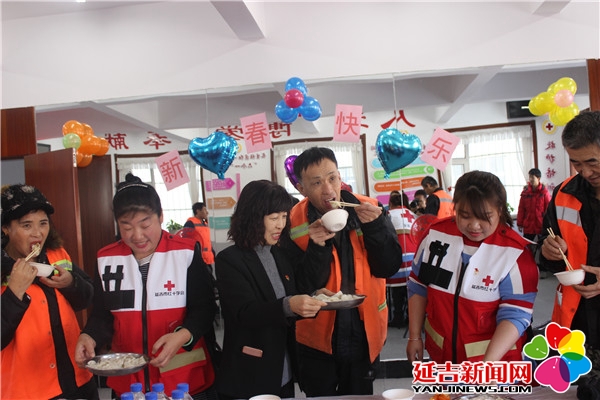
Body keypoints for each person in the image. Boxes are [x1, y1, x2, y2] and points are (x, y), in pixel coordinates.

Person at [74, 173, 218, 399]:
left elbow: (205, 308)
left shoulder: (185, 253)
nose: (137, 236)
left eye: (145, 224)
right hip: (130, 382)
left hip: (182, 381)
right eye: (126, 227)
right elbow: (102, 315)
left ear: (160, 216)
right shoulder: (107, 259)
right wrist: (88, 336)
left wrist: (182, 335)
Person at [280, 146, 403, 397]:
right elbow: (300, 285)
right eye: (316, 183)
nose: (328, 189)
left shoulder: (369, 208)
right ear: (301, 188)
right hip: (315, 337)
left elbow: (388, 268)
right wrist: (317, 247)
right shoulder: (293, 221)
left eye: (332, 178)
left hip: (364, 331)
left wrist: (376, 228)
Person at [407, 170, 539, 364]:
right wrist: (414, 336)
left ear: (500, 210)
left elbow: (516, 314)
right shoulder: (435, 235)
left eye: (485, 217)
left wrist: (487, 365)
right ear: (455, 207)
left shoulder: (515, 253)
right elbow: (418, 286)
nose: (474, 226)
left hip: (493, 363)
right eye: (465, 215)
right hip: (442, 358)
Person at [214, 180, 326, 400]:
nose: (280, 225)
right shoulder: (230, 260)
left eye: (284, 217)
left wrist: (314, 297)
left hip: (283, 369)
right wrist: (289, 305)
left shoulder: (279, 254)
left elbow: (291, 296)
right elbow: (245, 312)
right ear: (253, 217)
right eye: (274, 218)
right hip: (250, 373)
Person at [1, 184, 97, 400]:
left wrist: (71, 283)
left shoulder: (57, 255)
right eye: (27, 225)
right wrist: (14, 292)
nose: (38, 233)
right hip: (28, 391)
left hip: (78, 379)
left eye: (43, 223)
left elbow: (87, 298)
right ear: (6, 227)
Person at [538, 111, 600, 351]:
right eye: (576, 163)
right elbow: (546, 245)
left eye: (592, 162)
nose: (585, 172)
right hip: (577, 321)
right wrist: (548, 250)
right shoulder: (564, 194)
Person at [386, 191, 418, 328]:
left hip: (397, 254)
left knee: (396, 291)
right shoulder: (413, 215)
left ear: (391, 203)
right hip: (413, 256)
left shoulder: (389, 214)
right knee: (410, 289)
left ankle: (398, 317)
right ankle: (411, 317)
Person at [516, 168, 551, 242]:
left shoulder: (544, 193)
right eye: (530, 177)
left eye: (533, 177)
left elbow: (549, 210)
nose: (531, 179)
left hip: (541, 225)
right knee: (527, 245)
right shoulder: (525, 192)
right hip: (528, 226)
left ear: (538, 178)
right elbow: (521, 209)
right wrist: (519, 223)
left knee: (542, 245)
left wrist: (549, 224)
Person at [183, 202, 215, 267]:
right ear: (198, 211)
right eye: (204, 210)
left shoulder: (205, 224)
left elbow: (206, 240)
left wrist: (212, 251)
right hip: (197, 259)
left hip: (207, 258)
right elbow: (186, 241)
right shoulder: (190, 224)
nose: (207, 212)